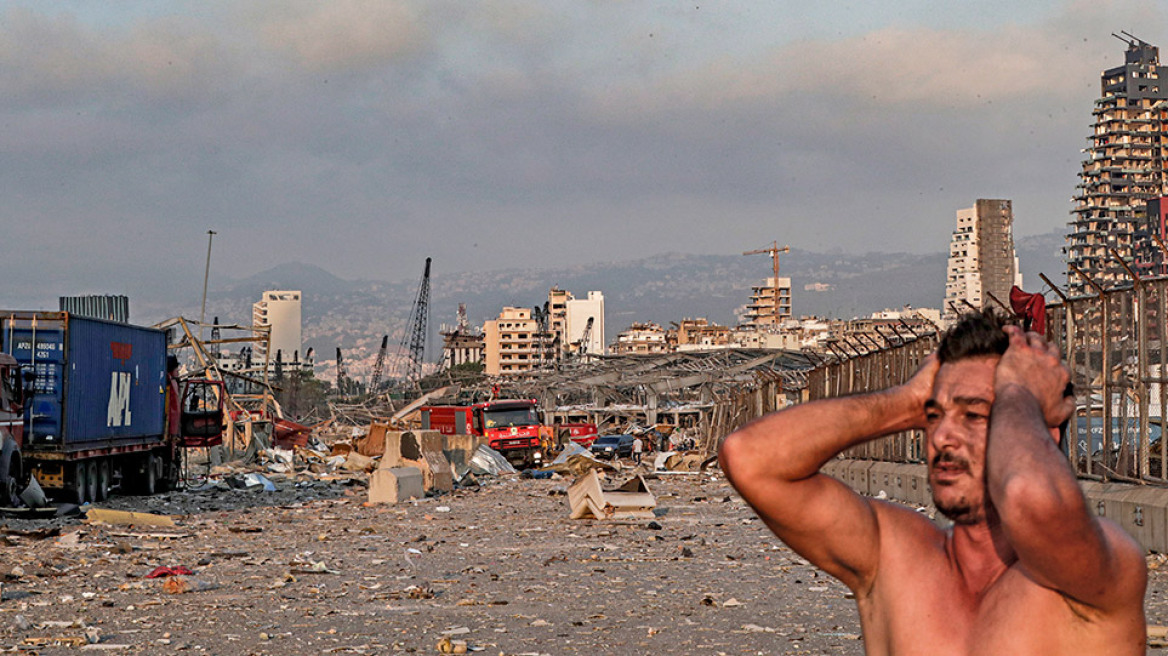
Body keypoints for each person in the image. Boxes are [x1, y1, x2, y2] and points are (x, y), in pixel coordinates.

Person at [720, 311, 1147, 655]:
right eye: (934, 417)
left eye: (975, 415)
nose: (941, 437)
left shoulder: (1091, 573)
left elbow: (1028, 497)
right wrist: (908, 401)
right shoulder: (894, 558)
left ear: (1039, 431)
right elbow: (749, 458)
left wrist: (1019, 392)